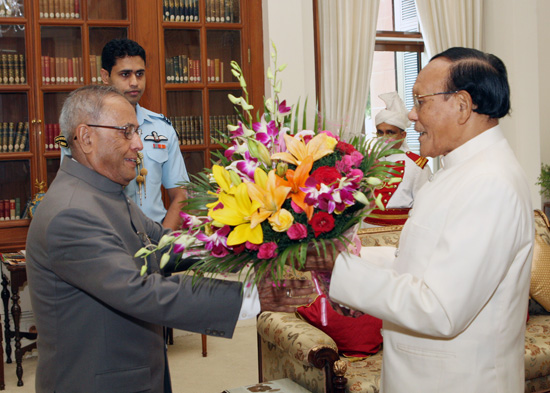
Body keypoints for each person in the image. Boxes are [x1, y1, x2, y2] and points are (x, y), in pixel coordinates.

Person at [26, 85, 312, 393]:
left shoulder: (102, 193)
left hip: (135, 373)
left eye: (136, 131)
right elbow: (140, 292)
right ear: (86, 137)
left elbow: (167, 245)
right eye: (127, 132)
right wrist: (249, 297)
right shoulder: (72, 213)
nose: (139, 144)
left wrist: (257, 239)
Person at [297, 47, 534, 393]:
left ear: (463, 106)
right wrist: (348, 261)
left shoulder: (490, 183)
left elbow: (439, 309)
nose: (411, 115)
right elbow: (421, 262)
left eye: (421, 101)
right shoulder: (462, 171)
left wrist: (344, 271)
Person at [60, 38, 188, 230]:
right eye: (125, 74)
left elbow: (180, 195)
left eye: (140, 74)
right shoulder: (86, 131)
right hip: (104, 236)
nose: (134, 82)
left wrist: (164, 244)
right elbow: (72, 191)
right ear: (105, 76)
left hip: (156, 237)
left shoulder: (161, 128)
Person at [363, 91, 432, 226]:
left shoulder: (416, 165)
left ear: (402, 135)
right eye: (380, 132)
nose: (384, 137)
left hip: (399, 233)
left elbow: (425, 208)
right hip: (366, 230)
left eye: (390, 132)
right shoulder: (367, 162)